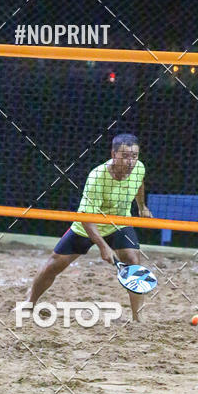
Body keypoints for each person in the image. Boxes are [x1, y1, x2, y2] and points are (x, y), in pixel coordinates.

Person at [26, 133, 152, 322]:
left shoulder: (138, 169)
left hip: (118, 223)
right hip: (88, 226)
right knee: (53, 266)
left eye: (134, 156)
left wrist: (142, 206)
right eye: (125, 156)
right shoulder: (97, 177)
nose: (130, 161)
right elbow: (86, 218)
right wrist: (103, 247)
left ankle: (137, 318)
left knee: (134, 261)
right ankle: (29, 304)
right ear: (113, 154)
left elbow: (139, 183)